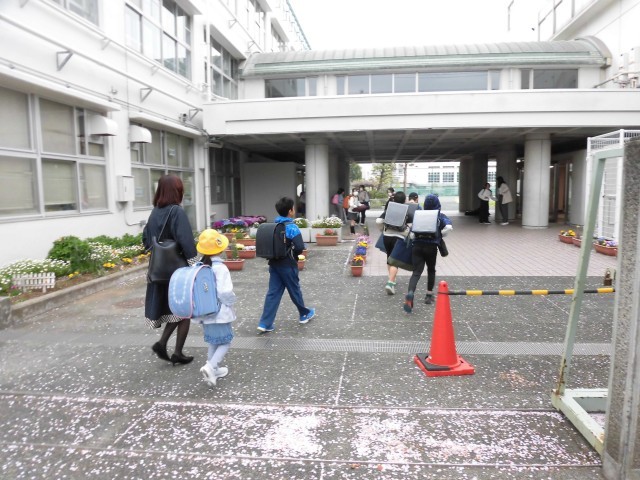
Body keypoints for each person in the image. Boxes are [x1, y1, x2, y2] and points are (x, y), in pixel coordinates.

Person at [143, 174, 198, 365]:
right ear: (177, 191)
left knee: (177, 310)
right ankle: (177, 352)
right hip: (177, 271)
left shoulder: (154, 212)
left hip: (159, 270)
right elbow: (186, 241)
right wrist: (195, 266)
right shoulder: (177, 211)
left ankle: (163, 344)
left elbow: (146, 240)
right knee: (185, 310)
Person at [257, 197, 315, 333]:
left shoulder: (273, 225)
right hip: (288, 264)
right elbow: (299, 247)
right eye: (293, 208)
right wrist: (295, 255)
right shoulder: (292, 227)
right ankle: (304, 314)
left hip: (274, 264)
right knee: (294, 290)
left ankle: (265, 323)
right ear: (290, 211)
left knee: (273, 293)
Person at [192, 229, 236, 387]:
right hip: (220, 313)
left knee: (214, 341)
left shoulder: (198, 267)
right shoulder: (220, 268)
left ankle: (213, 370)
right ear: (220, 248)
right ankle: (210, 367)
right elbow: (224, 292)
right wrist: (232, 302)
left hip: (204, 312)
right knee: (225, 342)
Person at [403, 194, 452, 313]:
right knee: (431, 270)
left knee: (416, 272)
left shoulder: (419, 214)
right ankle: (429, 295)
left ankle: (410, 293)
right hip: (431, 247)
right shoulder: (440, 216)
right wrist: (439, 234)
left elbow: (412, 233)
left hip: (417, 246)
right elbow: (448, 227)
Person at [376, 191, 407, 295]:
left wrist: (382, 230)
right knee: (395, 261)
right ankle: (390, 283)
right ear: (404, 200)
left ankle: (392, 278)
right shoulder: (406, 210)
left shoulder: (389, 209)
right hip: (398, 238)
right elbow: (411, 225)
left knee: (389, 258)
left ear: (394, 199)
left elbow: (378, 221)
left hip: (387, 236)